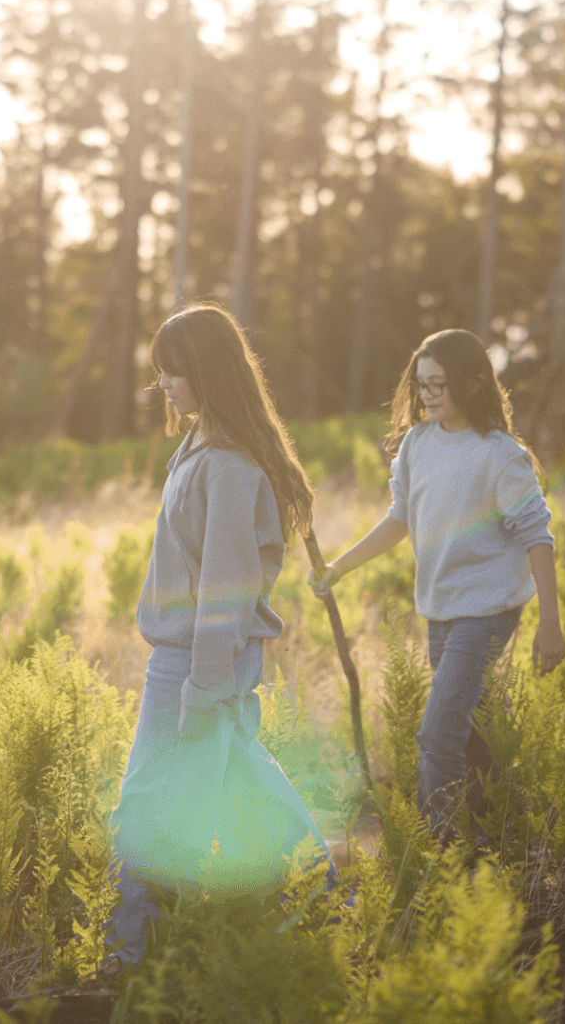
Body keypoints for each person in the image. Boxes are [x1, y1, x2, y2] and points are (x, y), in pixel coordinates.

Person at [103, 304, 334, 972]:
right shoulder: (199, 445)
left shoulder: (230, 466)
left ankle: (126, 956)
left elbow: (226, 592)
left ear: (206, 371)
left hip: (194, 663)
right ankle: (328, 896)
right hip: (187, 659)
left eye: (173, 372)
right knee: (248, 784)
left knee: (145, 806)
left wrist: (202, 686)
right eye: (161, 373)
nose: (164, 385)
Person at [310, 329, 565, 836]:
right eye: (421, 384)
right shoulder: (417, 446)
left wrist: (550, 627)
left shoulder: (499, 454)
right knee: (477, 732)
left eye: (438, 385)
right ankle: (504, 836)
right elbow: (398, 520)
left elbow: (539, 537)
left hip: (488, 610)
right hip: (441, 608)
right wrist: (339, 566)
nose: (426, 394)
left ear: (470, 383)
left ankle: (435, 854)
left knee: (438, 733)